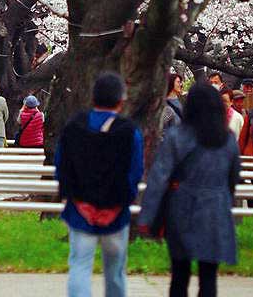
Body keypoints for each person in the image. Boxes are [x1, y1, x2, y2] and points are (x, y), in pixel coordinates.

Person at [138, 84, 241, 297]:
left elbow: (159, 178)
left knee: (180, 275)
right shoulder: (228, 139)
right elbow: (233, 177)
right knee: (209, 277)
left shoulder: (178, 136)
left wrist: (146, 217)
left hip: (183, 208)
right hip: (216, 209)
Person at [55, 72, 144, 297]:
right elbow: (135, 171)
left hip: (79, 208)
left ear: (93, 98)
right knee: (115, 273)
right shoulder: (129, 130)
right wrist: (125, 198)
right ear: (120, 100)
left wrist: (69, 194)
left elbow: (61, 164)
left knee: (80, 267)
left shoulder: (74, 125)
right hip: (116, 211)